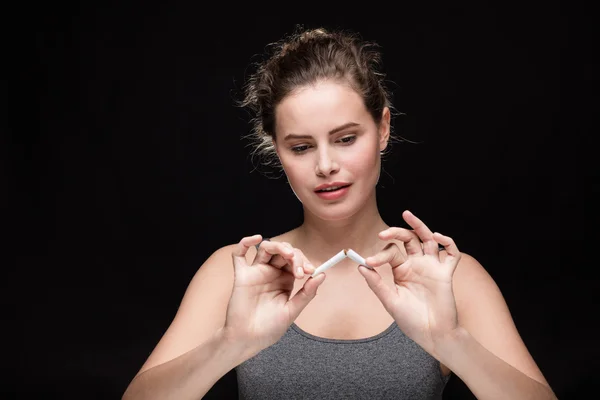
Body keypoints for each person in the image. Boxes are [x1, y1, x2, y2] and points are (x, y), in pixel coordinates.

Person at [122, 27, 557, 400]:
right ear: (277, 151)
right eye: (301, 146)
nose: (325, 165)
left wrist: (449, 341)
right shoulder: (235, 272)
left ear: (383, 128)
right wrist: (232, 343)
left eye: (346, 138)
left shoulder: (451, 276)